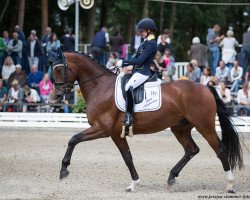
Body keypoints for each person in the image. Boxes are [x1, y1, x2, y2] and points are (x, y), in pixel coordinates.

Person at [116, 18, 157, 127]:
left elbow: (140, 61)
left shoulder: (151, 44)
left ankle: (129, 115)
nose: (141, 33)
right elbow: (137, 57)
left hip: (143, 72)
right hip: (137, 71)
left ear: (149, 30)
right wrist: (128, 66)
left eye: (142, 31)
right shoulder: (146, 42)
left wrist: (124, 62)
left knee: (128, 87)